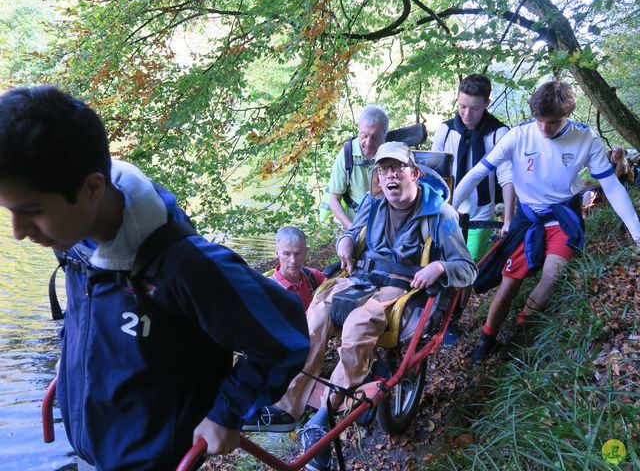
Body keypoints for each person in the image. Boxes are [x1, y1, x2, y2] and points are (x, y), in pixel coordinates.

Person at [0, 86, 310, 470]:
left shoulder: (184, 267)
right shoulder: (69, 239)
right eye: (9, 210)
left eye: (31, 211)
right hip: (97, 445)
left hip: (155, 458)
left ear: (93, 188)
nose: (17, 230)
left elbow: (286, 339)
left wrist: (226, 413)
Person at [244, 142, 477, 471]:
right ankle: (287, 407)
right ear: (378, 177)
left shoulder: (441, 214)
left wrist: (439, 268)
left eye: (397, 168)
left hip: (399, 286)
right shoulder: (373, 203)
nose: (390, 175)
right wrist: (345, 243)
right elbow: (352, 231)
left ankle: (324, 416)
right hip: (360, 279)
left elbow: (468, 268)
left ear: (414, 173)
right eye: (383, 170)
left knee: (359, 324)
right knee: (315, 316)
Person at [452, 80, 640, 363]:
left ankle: (517, 333)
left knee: (552, 276)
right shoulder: (519, 136)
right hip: (527, 220)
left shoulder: (585, 138)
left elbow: (611, 186)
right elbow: (478, 172)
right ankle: (486, 338)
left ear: (567, 115)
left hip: (562, 219)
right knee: (508, 284)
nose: (544, 128)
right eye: (540, 120)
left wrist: (637, 233)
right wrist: (448, 210)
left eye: (552, 122)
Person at [431, 74, 516, 346]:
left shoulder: (499, 133)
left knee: (466, 266)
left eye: (475, 108)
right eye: (462, 106)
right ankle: (434, 313)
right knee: (442, 260)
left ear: (487, 103)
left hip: (481, 211)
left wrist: (509, 219)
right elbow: (434, 172)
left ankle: (454, 317)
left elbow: (507, 177)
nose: (467, 114)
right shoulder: (445, 131)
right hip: (447, 210)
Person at [322, 105, 388, 229]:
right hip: (357, 222)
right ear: (358, 130)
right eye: (364, 136)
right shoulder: (347, 154)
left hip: (387, 223)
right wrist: (352, 228)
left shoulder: (392, 154)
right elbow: (334, 200)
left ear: (385, 134)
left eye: (375, 137)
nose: (368, 143)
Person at [271, 226, 326, 310]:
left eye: (297, 254)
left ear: (305, 252)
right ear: (277, 253)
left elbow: (336, 289)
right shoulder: (269, 289)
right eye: (286, 254)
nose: (293, 260)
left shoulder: (312, 276)